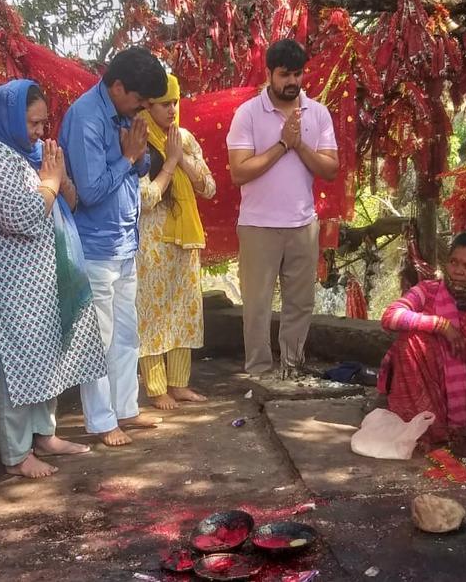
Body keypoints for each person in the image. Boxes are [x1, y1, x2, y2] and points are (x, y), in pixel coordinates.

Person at [0, 80, 107, 477]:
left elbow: (69, 203)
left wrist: (59, 179)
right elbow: (23, 218)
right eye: (33, 122)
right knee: (12, 367)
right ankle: (15, 454)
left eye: (45, 123)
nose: (41, 132)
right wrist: (50, 182)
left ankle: (44, 434)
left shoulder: (28, 153)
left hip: (40, 280)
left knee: (46, 360)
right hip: (7, 286)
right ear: (7, 117)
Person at [58, 47, 168, 446]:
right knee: (100, 336)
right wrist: (127, 157)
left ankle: (126, 409)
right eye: (139, 99)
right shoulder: (86, 116)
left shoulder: (122, 114)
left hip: (124, 242)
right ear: (118, 86)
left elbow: (138, 166)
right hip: (95, 245)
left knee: (126, 333)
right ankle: (102, 420)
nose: (142, 108)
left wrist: (136, 159)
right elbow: (89, 191)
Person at [226, 38, 338, 378]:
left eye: (297, 74)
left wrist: (299, 143)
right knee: (257, 307)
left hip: (303, 224)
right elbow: (238, 172)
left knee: (300, 303)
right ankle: (260, 374)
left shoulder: (318, 113)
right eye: (284, 74)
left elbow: (330, 169)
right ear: (270, 74)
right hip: (258, 225)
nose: (292, 81)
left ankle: (291, 371)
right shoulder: (247, 113)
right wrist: (281, 145)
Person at [377, 231, 466, 445]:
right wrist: (440, 325)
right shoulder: (427, 291)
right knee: (412, 340)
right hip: (429, 383)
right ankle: (432, 427)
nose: (458, 271)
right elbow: (390, 317)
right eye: (453, 262)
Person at [136, 74, 216, 410]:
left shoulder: (183, 138)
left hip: (185, 240)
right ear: (147, 105)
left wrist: (180, 155)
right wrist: (168, 163)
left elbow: (209, 187)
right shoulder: (136, 139)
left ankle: (179, 383)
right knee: (152, 313)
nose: (172, 109)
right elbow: (144, 198)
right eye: (164, 103)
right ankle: (155, 388)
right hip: (151, 241)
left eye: (175, 102)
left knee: (183, 311)